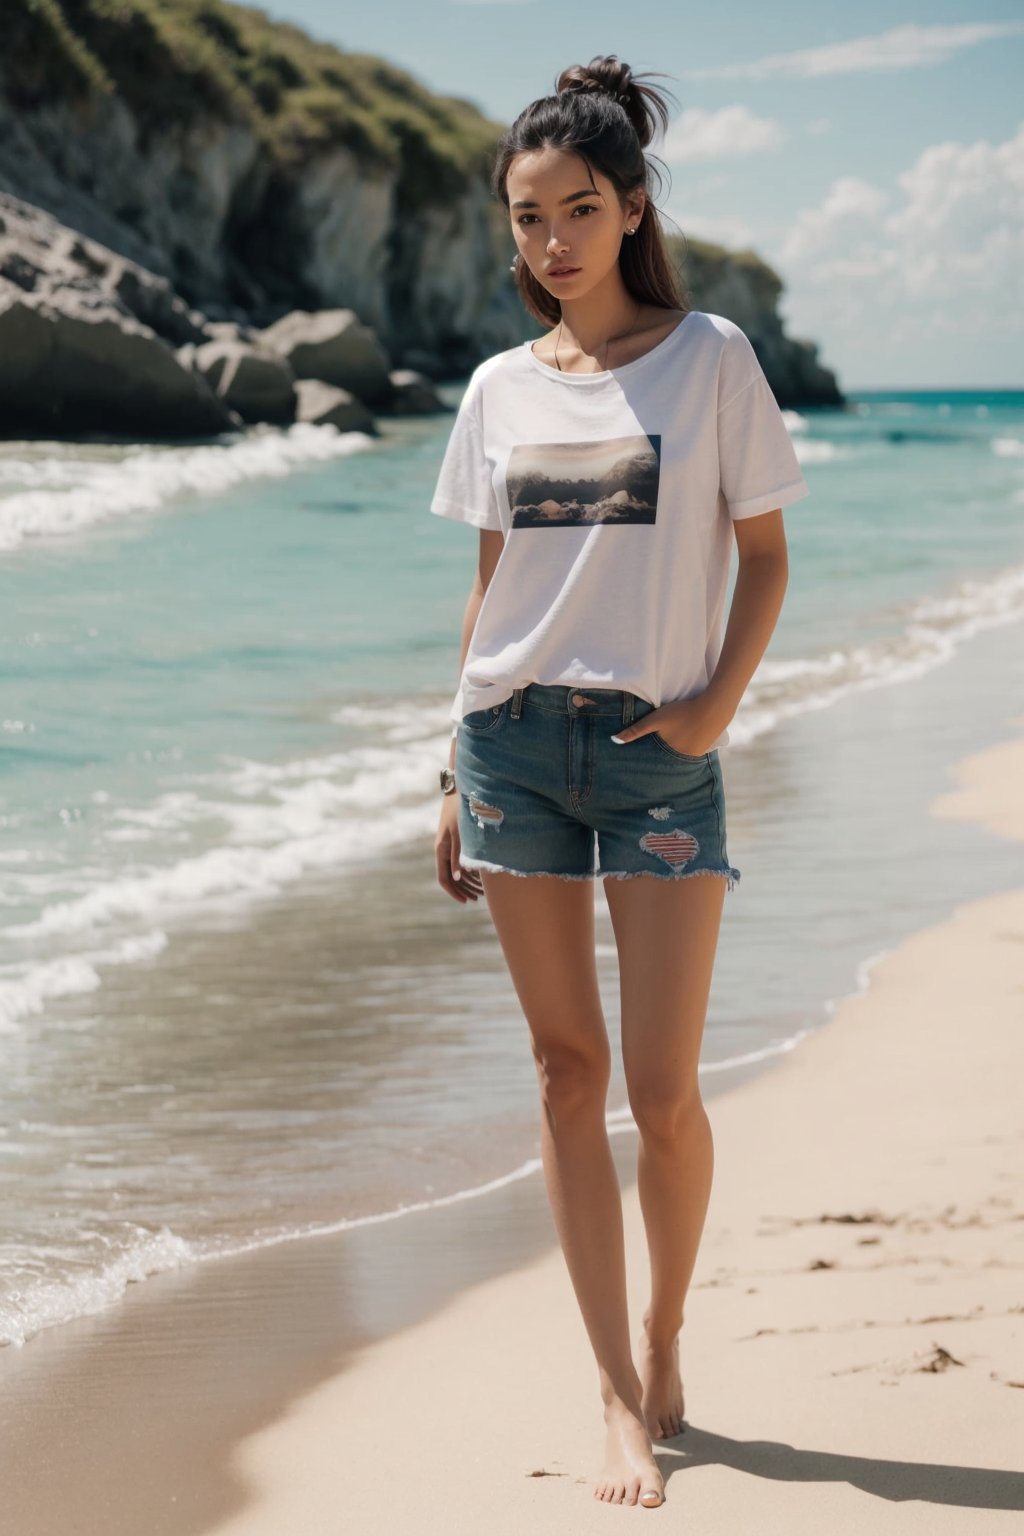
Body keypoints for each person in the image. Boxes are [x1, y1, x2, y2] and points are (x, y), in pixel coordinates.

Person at [430, 54, 809, 1510]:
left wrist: (714, 706)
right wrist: (445, 773)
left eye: (578, 209)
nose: (552, 242)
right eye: (526, 219)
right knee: (564, 1074)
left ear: (631, 206)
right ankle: (612, 1400)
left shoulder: (710, 357)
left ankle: (662, 1335)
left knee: (662, 1096)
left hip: (660, 764)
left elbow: (765, 558)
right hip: (512, 749)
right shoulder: (496, 389)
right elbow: (492, 589)